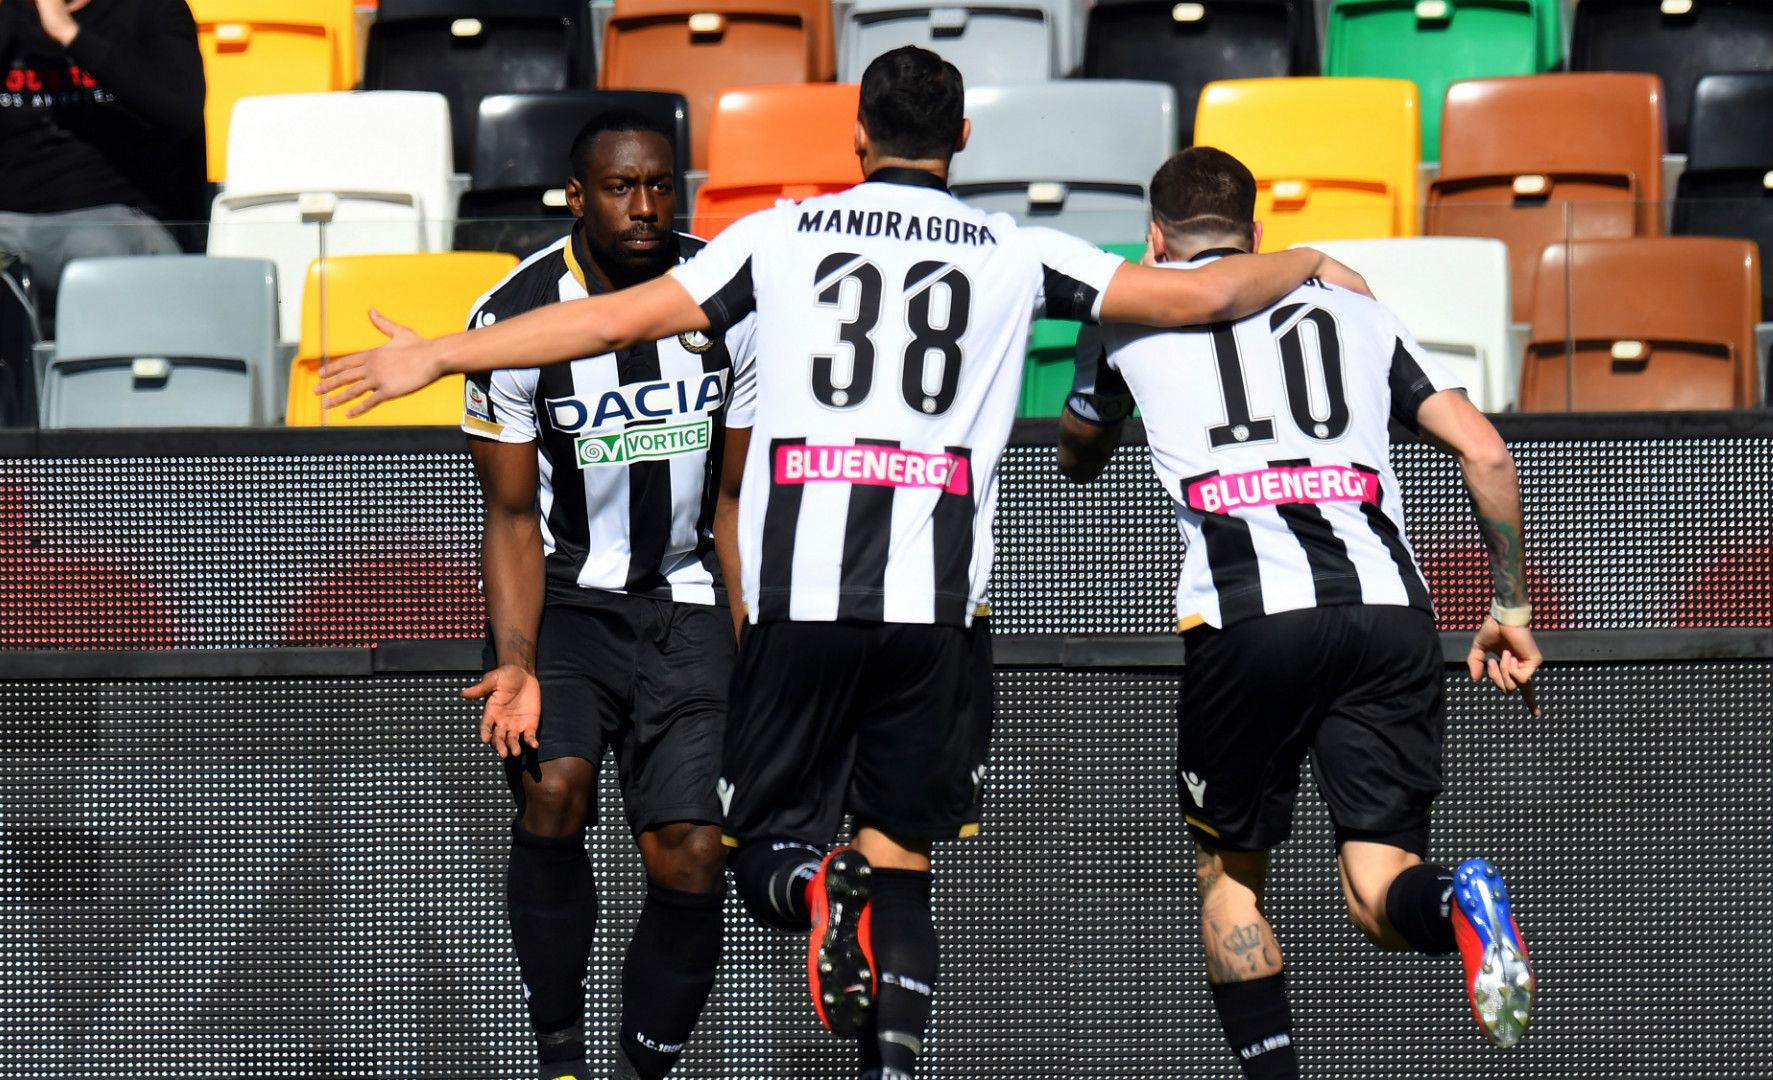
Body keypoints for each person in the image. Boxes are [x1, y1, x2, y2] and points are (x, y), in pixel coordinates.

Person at [316, 46, 1372, 1080]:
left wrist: (435, 354)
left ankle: (805, 899)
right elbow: (1194, 298)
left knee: (753, 852)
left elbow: (604, 322)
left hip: (799, 596)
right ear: (962, 139)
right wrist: (1309, 260)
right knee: (901, 862)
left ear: (857, 135)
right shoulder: (1012, 249)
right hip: (936, 612)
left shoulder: (774, 239)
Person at [1056, 146, 1542, 1076]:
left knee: (1231, 884)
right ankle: (1458, 901)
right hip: (1389, 611)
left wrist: (1094, 412)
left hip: (1250, 619)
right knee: (1378, 891)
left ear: (1157, 239)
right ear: (1255, 233)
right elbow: (1484, 451)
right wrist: (1508, 602)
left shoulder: (1127, 314)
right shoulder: (1355, 309)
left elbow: (1082, 447)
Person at [459, 109, 754, 1080]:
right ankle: (559, 1053)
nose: (646, 208)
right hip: (567, 603)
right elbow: (509, 519)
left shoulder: (732, 301)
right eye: (623, 188)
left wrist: (751, 649)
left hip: (687, 602)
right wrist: (514, 664)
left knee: (693, 854)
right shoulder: (510, 321)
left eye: (662, 185)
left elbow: (733, 500)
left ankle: (639, 1070)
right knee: (553, 790)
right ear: (577, 197)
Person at [0, 0, 207, 320]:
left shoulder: (151, 9)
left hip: (118, 219)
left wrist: (70, 34)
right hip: (13, 223)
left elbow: (181, 110)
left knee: (90, 245)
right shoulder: (4, 18)